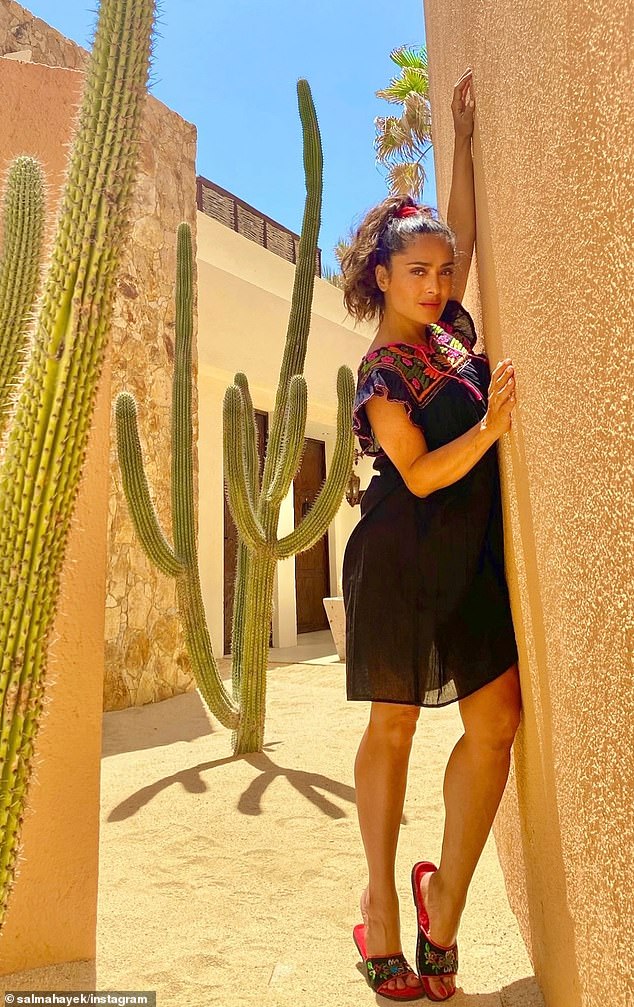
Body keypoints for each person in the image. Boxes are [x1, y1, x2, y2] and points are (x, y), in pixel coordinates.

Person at [340, 68, 522, 1002]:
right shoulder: (384, 366)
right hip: (402, 555)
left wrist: (465, 137)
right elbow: (413, 474)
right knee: (397, 723)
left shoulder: (448, 326)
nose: (437, 283)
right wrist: (490, 431)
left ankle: (439, 902)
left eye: (443, 272)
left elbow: (461, 226)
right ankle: (378, 903)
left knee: (498, 720)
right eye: (418, 270)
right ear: (384, 275)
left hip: (471, 550)